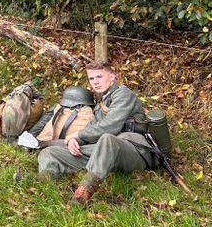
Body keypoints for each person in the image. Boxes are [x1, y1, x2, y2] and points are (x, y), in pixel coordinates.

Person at [36, 61, 157, 206]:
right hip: (104, 151)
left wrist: (78, 135)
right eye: (92, 78)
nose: (95, 82)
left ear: (112, 77)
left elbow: (111, 126)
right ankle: (44, 179)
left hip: (134, 150)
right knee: (49, 152)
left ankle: (82, 194)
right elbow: (92, 126)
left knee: (107, 139)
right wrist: (76, 141)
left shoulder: (123, 94)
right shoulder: (102, 100)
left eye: (99, 76)